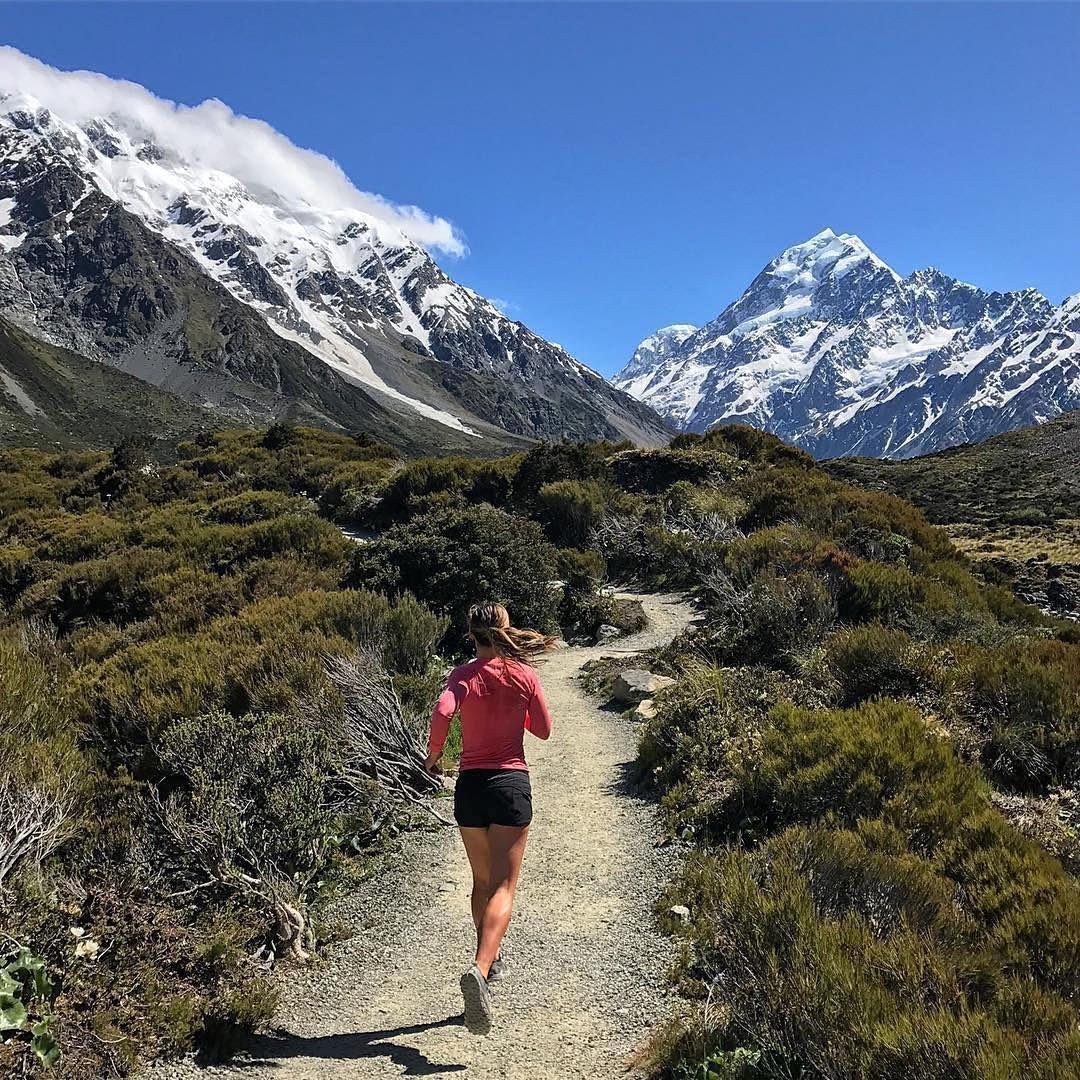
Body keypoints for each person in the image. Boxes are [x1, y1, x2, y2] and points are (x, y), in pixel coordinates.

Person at [425, 601, 557, 1035]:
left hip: (471, 787)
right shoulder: (523, 675)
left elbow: (443, 711)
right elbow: (542, 730)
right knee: (504, 885)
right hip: (510, 785)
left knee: (481, 883)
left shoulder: (462, 675)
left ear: (471, 633)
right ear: (505, 628)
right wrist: (516, 707)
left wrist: (434, 756)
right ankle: (481, 969)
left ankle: (490, 956)